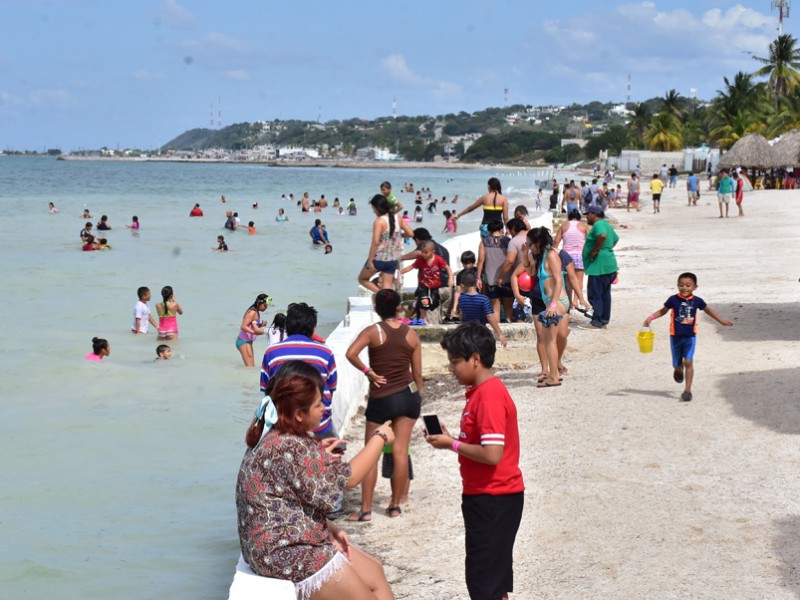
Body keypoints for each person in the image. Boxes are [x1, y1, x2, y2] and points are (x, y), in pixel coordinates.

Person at [237, 361, 395, 599]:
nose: (324, 408)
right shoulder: (293, 447)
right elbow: (348, 479)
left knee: (375, 571)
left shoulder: (275, 435)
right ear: (299, 414)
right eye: (319, 404)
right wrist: (380, 437)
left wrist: (329, 528)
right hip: (284, 552)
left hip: (275, 543)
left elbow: (289, 495)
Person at [424, 323, 524, 600]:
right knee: (493, 581)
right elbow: (482, 444)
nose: (451, 369)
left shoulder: (488, 395)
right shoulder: (482, 392)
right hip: (490, 496)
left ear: (475, 359)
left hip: (493, 497)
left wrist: (452, 444)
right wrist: (450, 439)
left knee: (484, 584)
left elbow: (492, 455)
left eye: (455, 362)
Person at [345, 289, 423, 521]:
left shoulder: (374, 332)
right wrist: (418, 394)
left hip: (382, 398)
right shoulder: (411, 334)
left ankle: (366, 510)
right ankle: (395, 505)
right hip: (408, 397)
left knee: (372, 453)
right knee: (400, 452)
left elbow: (351, 353)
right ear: (399, 307)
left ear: (376, 308)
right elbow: (417, 371)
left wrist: (369, 373)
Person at [643, 272, 733, 402]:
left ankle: (687, 391)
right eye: (681, 285)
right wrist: (650, 318)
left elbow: (708, 310)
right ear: (677, 286)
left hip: (690, 337)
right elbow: (663, 311)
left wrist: (721, 320)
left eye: (688, 285)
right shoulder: (673, 299)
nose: (684, 288)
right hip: (675, 337)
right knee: (677, 364)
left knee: (688, 362)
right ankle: (678, 369)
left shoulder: (697, 301)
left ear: (695, 287)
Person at [260, 302, 338, 438]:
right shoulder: (326, 353)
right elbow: (331, 389)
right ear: (313, 329)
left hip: (283, 427)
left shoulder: (271, 352)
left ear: (287, 327)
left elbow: (266, 391)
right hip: (319, 426)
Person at [527, 227, 568, 388]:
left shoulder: (551, 255)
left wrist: (552, 305)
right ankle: (553, 373)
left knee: (548, 340)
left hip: (557, 302)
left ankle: (553, 377)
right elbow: (529, 272)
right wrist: (526, 253)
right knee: (551, 338)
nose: (529, 247)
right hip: (552, 303)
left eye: (530, 244)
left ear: (538, 242)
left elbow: (559, 281)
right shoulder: (542, 256)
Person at [357, 194, 414, 293]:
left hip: (379, 259)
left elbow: (375, 242)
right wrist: (400, 235)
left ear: (377, 208)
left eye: (373, 208)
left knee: (362, 279)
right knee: (387, 287)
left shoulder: (379, 221)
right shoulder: (398, 218)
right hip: (393, 259)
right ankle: (387, 300)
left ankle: (380, 295)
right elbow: (410, 233)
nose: (373, 211)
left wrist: (370, 261)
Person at [581, 206, 619, 329]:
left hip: (599, 267)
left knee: (595, 294)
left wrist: (596, 251)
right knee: (604, 294)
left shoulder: (598, 225)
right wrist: (606, 250)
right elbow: (615, 239)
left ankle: (596, 321)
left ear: (593, 214)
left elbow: (602, 236)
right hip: (609, 265)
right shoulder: (606, 224)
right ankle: (604, 319)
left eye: (588, 214)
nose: (586, 217)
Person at [400, 240, 453, 325]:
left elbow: (447, 268)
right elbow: (411, 267)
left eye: (426, 253)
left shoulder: (438, 259)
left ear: (433, 252)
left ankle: (430, 317)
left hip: (435, 285)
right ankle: (424, 318)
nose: (424, 255)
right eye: (422, 252)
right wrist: (400, 272)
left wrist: (450, 278)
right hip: (423, 284)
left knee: (434, 303)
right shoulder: (421, 260)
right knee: (423, 300)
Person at [456, 271, 507, 347]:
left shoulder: (461, 299)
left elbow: (461, 315)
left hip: (467, 334)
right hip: (480, 333)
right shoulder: (483, 299)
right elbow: (490, 317)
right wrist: (500, 333)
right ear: (476, 283)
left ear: (462, 286)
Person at [477, 221, 513, 325]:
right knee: (508, 308)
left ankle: (497, 333)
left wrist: (478, 277)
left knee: (495, 309)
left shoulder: (484, 242)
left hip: (491, 280)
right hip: (507, 279)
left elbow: (480, 260)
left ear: (489, 230)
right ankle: (508, 328)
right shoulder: (508, 241)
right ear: (501, 229)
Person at [554, 209, 590, 308]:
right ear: (579, 217)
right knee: (579, 280)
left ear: (569, 217)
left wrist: (553, 253)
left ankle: (569, 303)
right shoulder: (584, 226)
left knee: (568, 280)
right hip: (579, 255)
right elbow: (590, 241)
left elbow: (556, 242)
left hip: (566, 255)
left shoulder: (564, 226)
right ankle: (576, 301)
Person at [237, 293, 270, 367]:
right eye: (265, 305)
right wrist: (255, 332)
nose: (266, 307)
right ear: (259, 303)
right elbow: (243, 326)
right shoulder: (252, 312)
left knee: (250, 367)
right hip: (244, 341)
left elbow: (251, 325)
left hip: (247, 341)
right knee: (250, 367)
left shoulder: (256, 311)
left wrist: (261, 325)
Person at [449, 250, 478, 322]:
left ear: (473, 262)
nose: (467, 266)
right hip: (465, 300)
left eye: (469, 263)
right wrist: (454, 307)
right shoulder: (460, 275)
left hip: (477, 299)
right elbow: (458, 292)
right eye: (465, 264)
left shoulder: (478, 272)